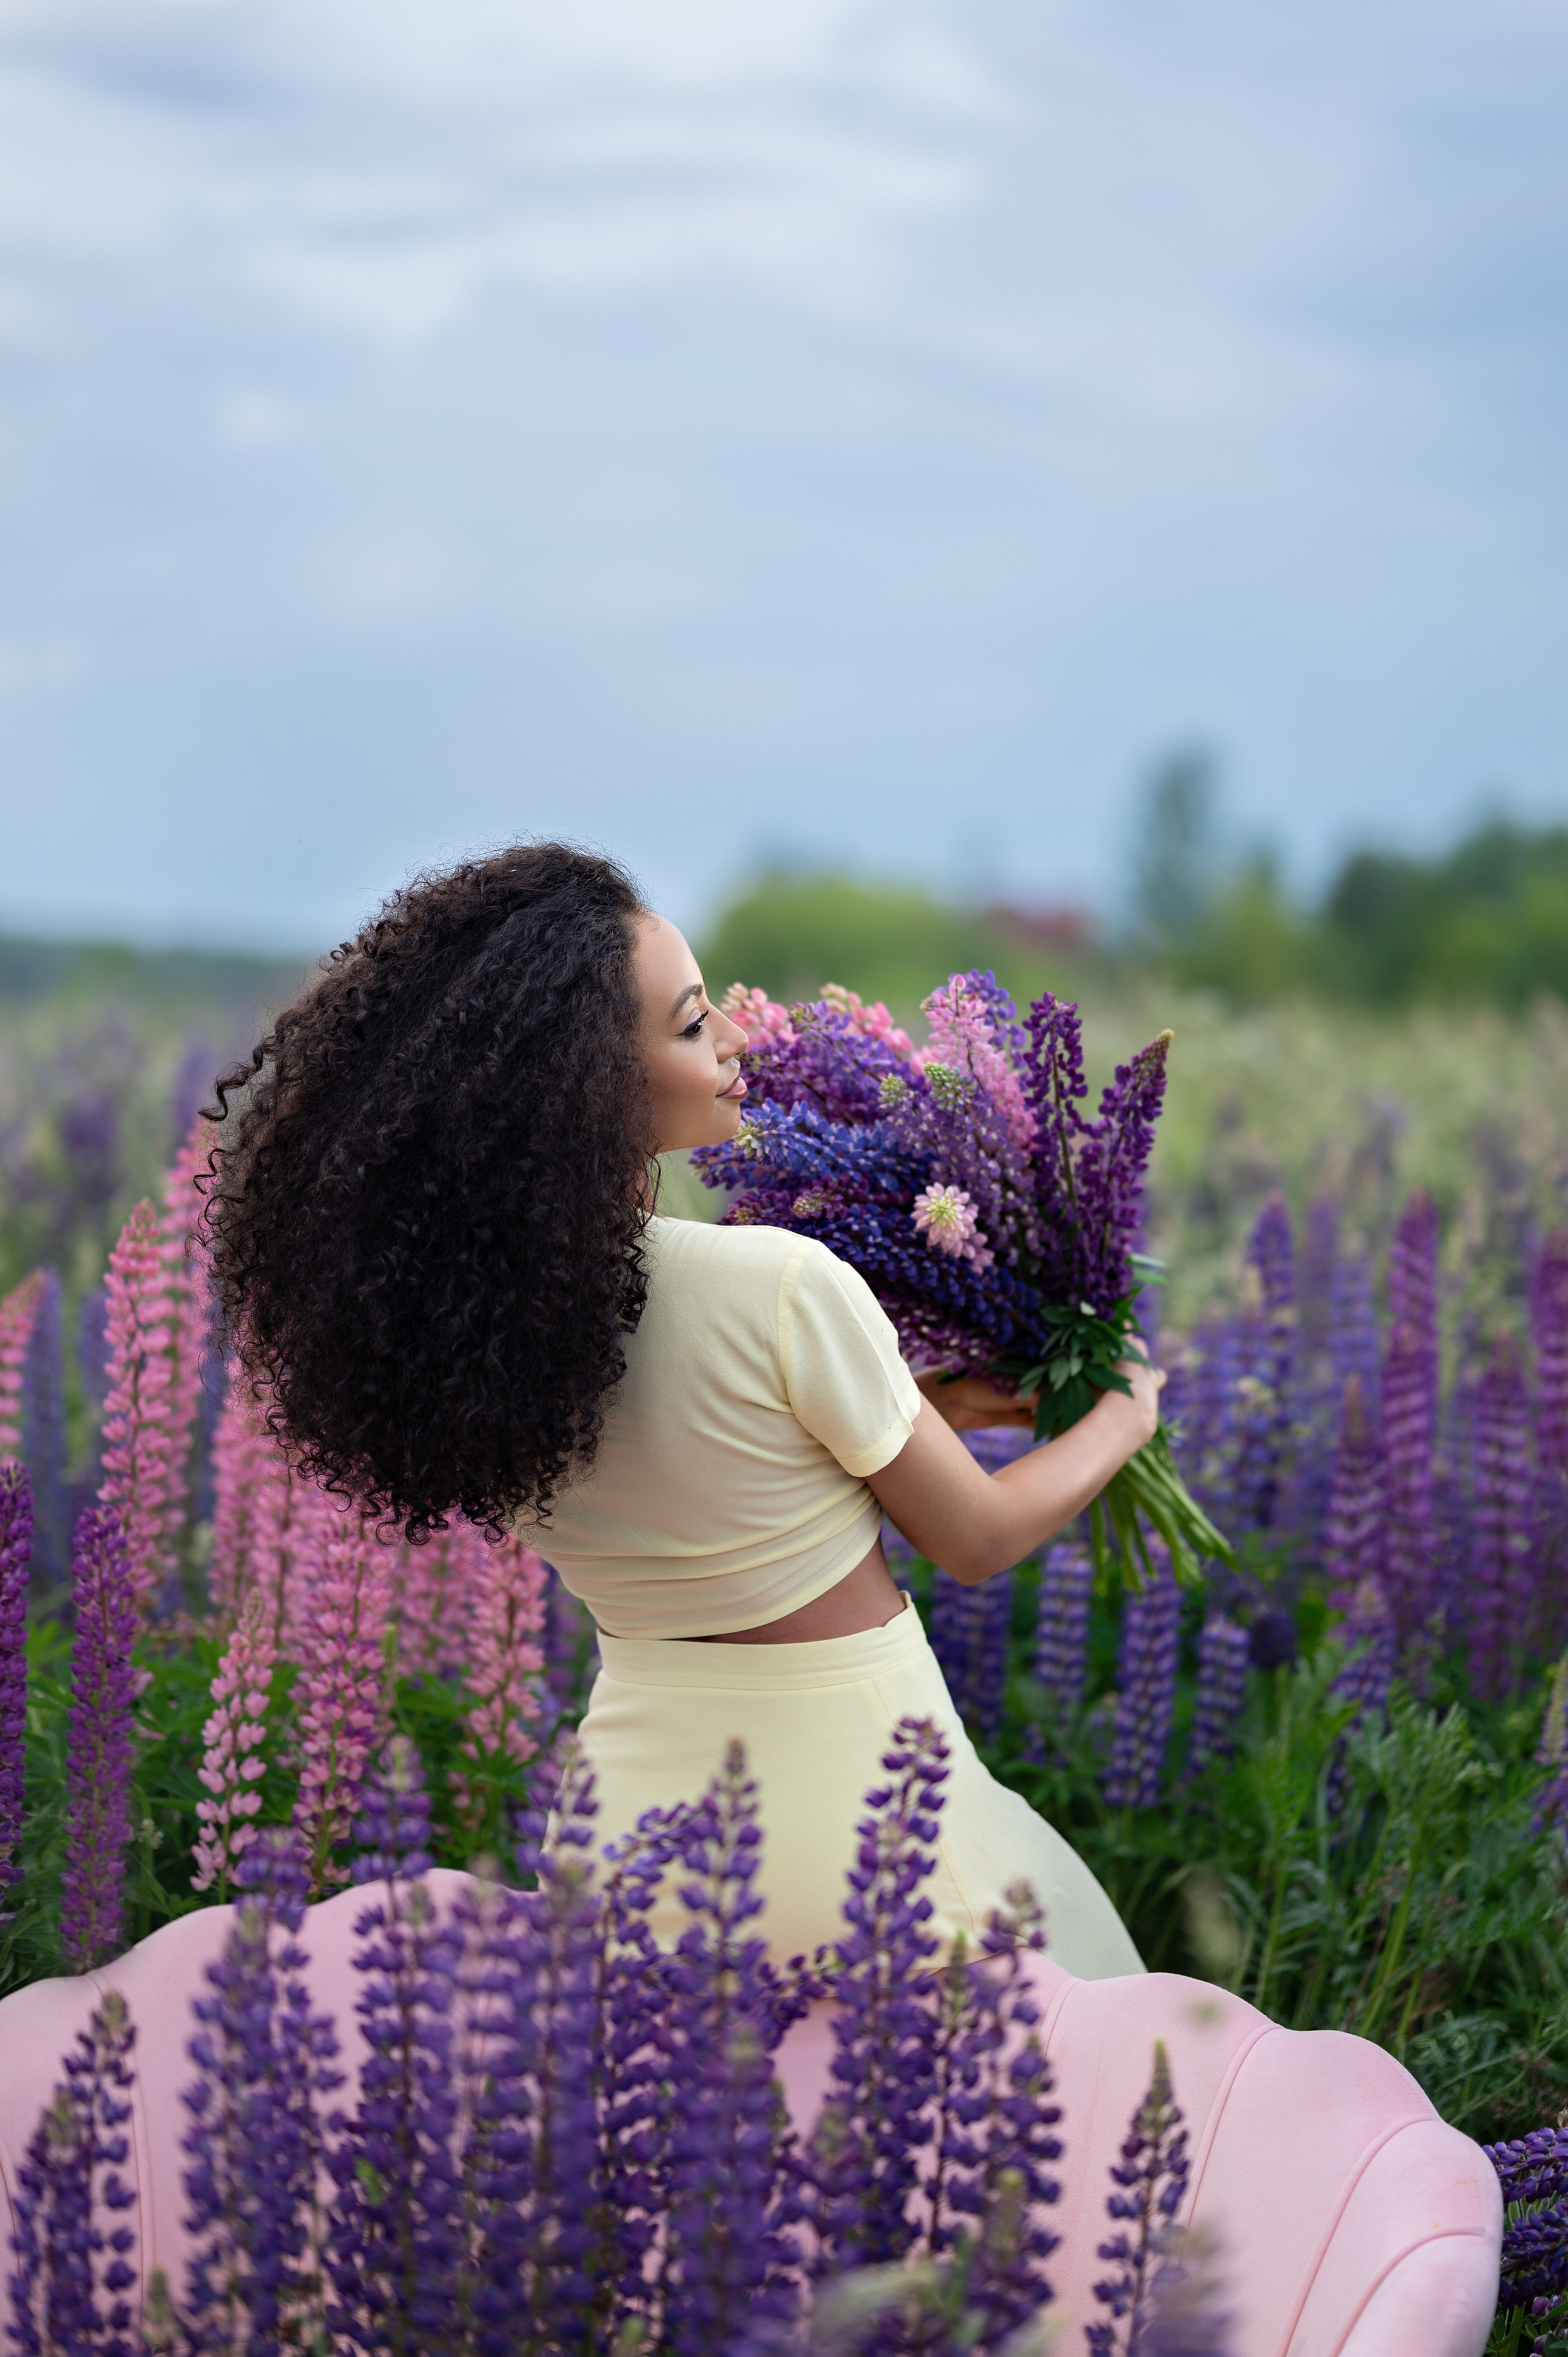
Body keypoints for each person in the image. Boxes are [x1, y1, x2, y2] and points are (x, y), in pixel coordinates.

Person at [207, 842, 1156, 1976]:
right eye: (697, 1025)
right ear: (594, 1084)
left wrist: (927, 1410)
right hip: (867, 1818)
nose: (740, 1047)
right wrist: (1123, 1416)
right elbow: (979, 1537)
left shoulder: (488, 1356)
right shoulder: (780, 1286)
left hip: (634, 1837)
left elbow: (723, 1480)